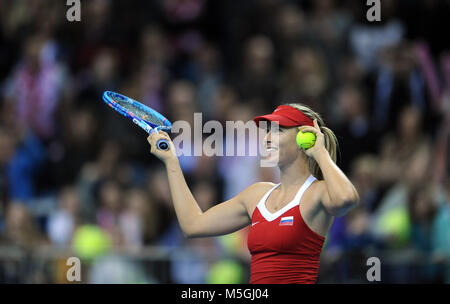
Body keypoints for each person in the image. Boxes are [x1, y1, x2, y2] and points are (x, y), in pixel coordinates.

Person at [147, 103, 359, 284]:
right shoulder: (256, 195)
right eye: (267, 131)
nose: (266, 138)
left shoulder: (318, 192)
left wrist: (319, 151)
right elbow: (192, 224)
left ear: (305, 138)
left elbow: (347, 198)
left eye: (277, 130)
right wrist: (171, 161)